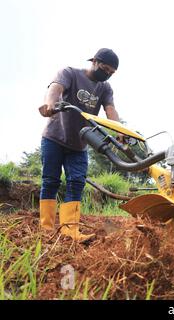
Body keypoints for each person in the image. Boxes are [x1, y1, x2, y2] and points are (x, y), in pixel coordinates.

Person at [38, 48, 123, 241]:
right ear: (94, 61)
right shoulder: (69, 73)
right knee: (50, 180)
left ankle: (70, 229)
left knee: (76, 182)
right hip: (54, 137)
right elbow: (55, 89)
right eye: (105, 68)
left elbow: (111, 110)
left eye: (111, 73)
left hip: (79, 144)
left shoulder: (105, 88)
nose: (107, 74)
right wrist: (50, 104)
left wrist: (119, 130)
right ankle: (46, 229)